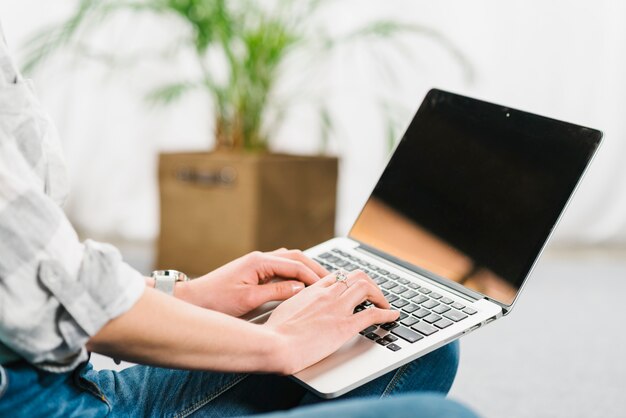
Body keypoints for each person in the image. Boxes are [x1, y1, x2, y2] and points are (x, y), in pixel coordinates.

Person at [0, 21, 477, 418]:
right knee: (443, 416)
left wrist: (187, 295)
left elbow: (32, 276)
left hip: (66, 382)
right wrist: (277, 342)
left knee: (412, 346)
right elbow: (58, 294)